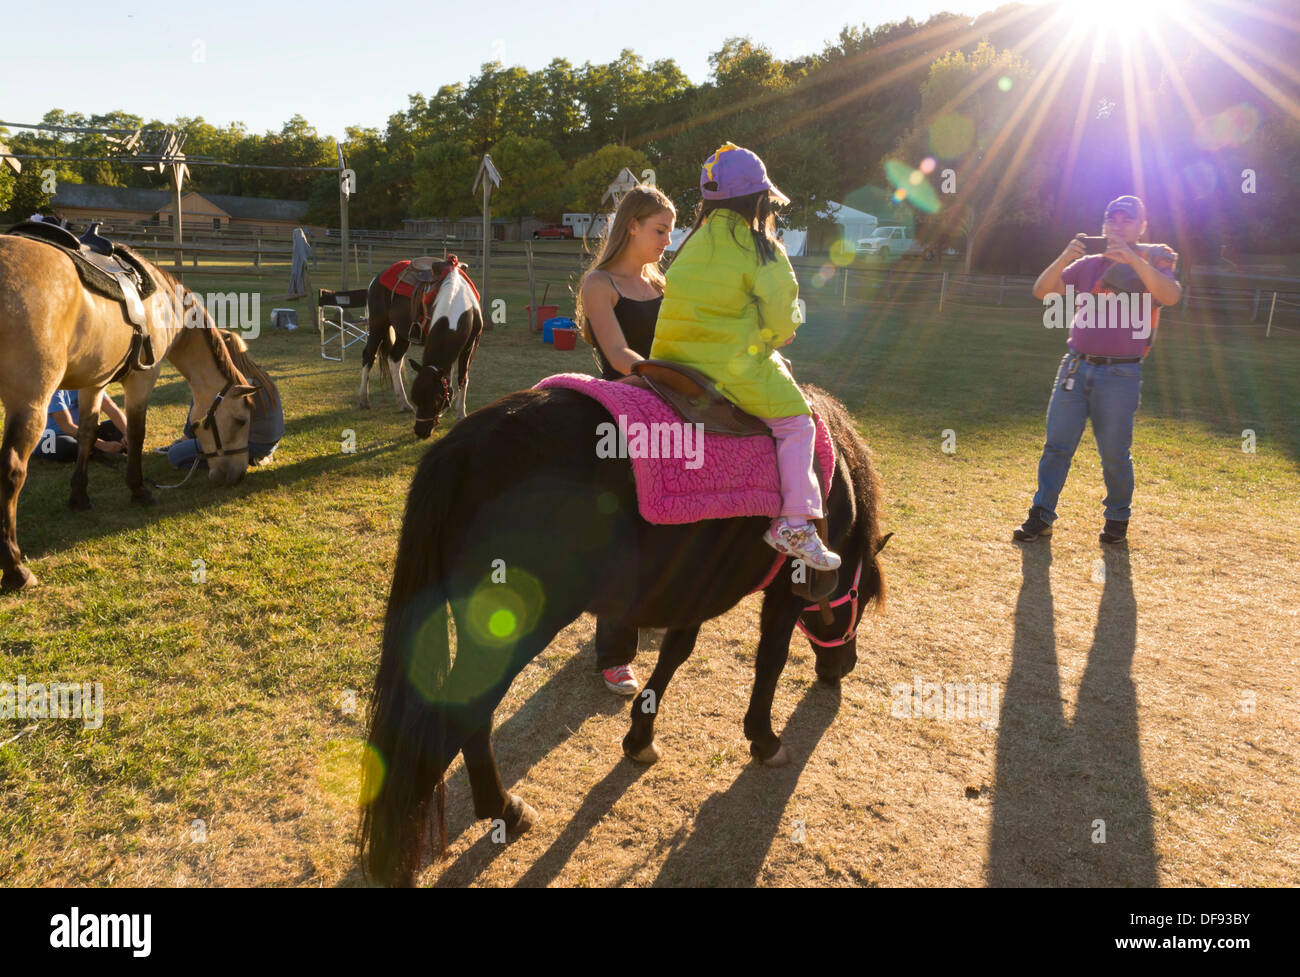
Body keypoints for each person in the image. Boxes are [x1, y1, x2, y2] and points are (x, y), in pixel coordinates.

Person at [650, 142, 840, 571]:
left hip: (667, 361)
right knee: (797, 421)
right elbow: (784, 318)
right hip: (727, 367)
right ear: (758, 198)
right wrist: (776, 335)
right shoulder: (763, 248)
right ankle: (793, 521)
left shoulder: (688, 243)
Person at [1015, 194, 1181, 544]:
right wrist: (1065, 256)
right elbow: (1042, 290)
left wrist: (1135, 260)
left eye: (1127, 220)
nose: (1118, 225)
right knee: (1056, 448)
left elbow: (1170, 295)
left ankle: (1117, 518)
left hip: (1120, 374)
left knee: (1114, 454)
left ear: (1141, 226)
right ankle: (1041, 515)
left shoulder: (1154, 261)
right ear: (1104, 224)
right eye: (1113, 219)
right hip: (1075, 367)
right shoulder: (1088, 264)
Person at [574, 184, 677, 695]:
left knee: (667, 521)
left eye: (670, 232)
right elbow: (617, 354)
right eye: (660, 230)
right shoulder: (601, 283)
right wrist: (677, 380)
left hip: (671, 411)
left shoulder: (661, 282)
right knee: (625, 536)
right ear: (632, 225)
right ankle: (614, 653)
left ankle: (649, 607)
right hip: (624, 418)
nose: (666, 240)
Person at [164, 331, 284, 468]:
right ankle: (257, 456)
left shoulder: (233, 385)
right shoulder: (258, 373)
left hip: (249, 444)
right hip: (271, 443)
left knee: (176, 455)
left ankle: (245, 459)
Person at [35, 389, 128, 463]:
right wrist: (103, 445)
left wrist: (127, 433)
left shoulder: (89, 382)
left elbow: (112, 409)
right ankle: (103, 451)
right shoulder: (53, 388)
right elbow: (67, 426)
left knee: (117, 427)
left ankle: (118, 447)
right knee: (67, 444)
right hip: (53, 437)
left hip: (85, 433)